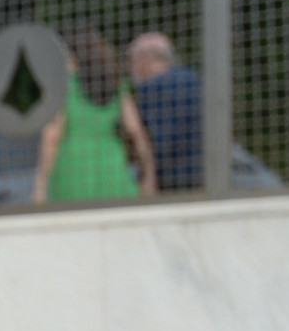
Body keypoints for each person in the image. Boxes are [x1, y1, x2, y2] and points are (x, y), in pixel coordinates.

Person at [32, 26, 156, 205]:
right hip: (112, 166)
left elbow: (52, 136)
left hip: (73, 168)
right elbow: (136, 130)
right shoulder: (116, 85)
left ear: (74, 57)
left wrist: (41, 184)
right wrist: (149, 174)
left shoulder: (63, 88)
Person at [126, 31, 204, 192]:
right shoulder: (194, 81)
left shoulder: (150, 90)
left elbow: (156, 142)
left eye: (133, 61)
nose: (131, 68)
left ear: (145, 59)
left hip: (171, 181)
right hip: (204, 175)